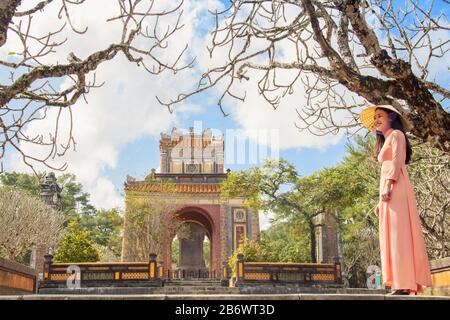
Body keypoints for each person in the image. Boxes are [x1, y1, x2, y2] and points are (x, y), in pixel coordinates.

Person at [359, 104, 432, 295]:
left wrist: (389, 185)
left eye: (380, 116)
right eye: (374, 117)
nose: (376, 120)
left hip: (396, 187)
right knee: (391, 236)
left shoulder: (397, 136)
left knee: (400, 236)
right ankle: (401, 282)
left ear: (391, 117)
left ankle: (404, 283)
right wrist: (380, 201)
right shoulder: (386, 140)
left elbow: (398, 160)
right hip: (390, 190)